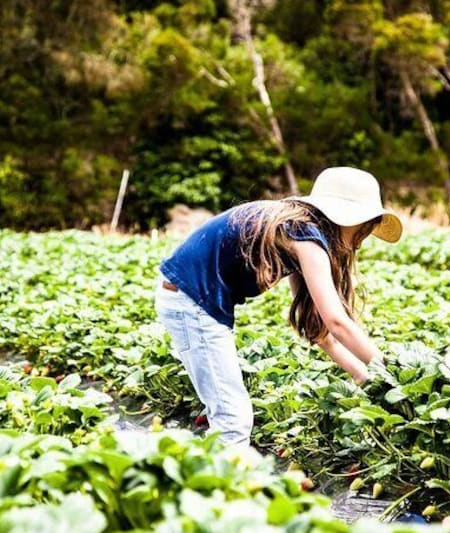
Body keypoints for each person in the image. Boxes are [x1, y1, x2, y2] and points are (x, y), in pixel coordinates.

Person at [155, 166, 402, 446]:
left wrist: (363, 377)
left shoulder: (295, 228)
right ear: (348, 219)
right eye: (365, 227)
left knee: (226, 410)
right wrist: (389, 372)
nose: (362, 238)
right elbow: (336, 322)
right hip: (190, 302)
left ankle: (210, 471)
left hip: (191, 300)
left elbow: (319, 330)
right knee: (233, 422)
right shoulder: (305, 238)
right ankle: (216, 486)